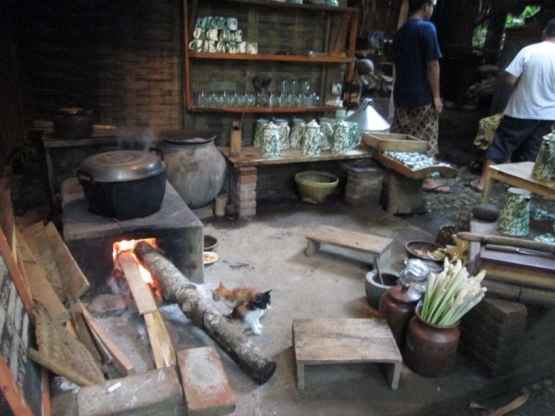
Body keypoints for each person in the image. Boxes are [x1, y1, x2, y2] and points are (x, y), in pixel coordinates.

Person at [469, 19, 555, 192]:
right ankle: (523, 190)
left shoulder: (529, 51)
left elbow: (510, 80)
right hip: (547, 115)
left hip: (521, 111)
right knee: (533, 153)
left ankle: (483, 183)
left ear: (544, 32)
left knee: (500, 145)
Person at [391, 0, 448, 193]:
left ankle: (399, 174)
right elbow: (433, 65)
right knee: (426, 139)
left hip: (401, 93)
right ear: (426, 6)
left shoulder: (400, 32)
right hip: (422, 95)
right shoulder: (426, 28)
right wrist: (437, 96)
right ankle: (427, 180)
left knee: (402, 137)